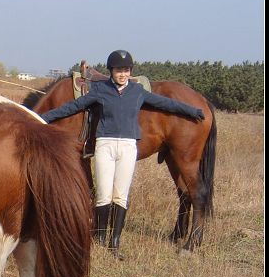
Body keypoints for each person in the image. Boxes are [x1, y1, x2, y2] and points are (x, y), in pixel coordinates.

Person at [40, 50, 205, 260]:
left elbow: (165, 103)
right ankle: (99, 239)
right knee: (103, 193)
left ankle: (114, 242)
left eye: (126, 70)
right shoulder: (100, 90)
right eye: (119, 70)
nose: (122, 74)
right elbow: (73, 106)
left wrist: (192, 111)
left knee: (121, 195)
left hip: (127, 147)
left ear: (130, 72)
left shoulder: (137, 91)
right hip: (105, 145)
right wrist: (41, 117)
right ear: (111, 72)